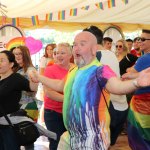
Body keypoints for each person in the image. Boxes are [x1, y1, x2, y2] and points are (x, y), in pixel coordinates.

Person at [30, 31, 150, 150]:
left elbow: (117, 87)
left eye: (82, 44)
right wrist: (39, 77)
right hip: (71, 135)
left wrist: (136, 82)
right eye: (75, 44)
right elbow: (61, 85)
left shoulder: (100, 70)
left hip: (93, 138)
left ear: (94, 49)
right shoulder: (74, 70)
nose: (76, 48)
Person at [83, 26, 128, 145]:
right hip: (121, 106)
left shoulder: (95, 57)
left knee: (98, 144)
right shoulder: (110, 54)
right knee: (107, 144)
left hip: (108, 108)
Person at [0, 50, 37, 150]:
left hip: (9, 125)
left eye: (2, 60)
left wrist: (35, 79)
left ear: (11, 64)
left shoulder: (16, 78)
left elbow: (32, 88)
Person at [122, 29, 150, 150]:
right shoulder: (143, 57)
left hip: (142, 103)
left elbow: (129, 71)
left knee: (139, 135)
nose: (140, 41)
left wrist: (130, 71)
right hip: (144, 102)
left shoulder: (145, 59)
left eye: (143, 39)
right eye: (139, 38)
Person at [43, 43, 73, 150]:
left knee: (71, 142)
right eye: (57, 53)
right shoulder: (50, 69)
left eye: (62, 53)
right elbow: (49, 92)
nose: (59, 55)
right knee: (56, 142)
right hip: (53, 113)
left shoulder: (75, 69)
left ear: (70, 54)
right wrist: (69, 100)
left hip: (71, 112)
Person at [11, 46, 39, 150]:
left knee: (27, 137)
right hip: (16, 107)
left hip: (27, 107)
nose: (16, 56)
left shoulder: (31, 70)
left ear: (25, 55)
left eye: (19, 54)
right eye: (14, 54)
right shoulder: (15, 69)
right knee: (15, 137)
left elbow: (33, 90)